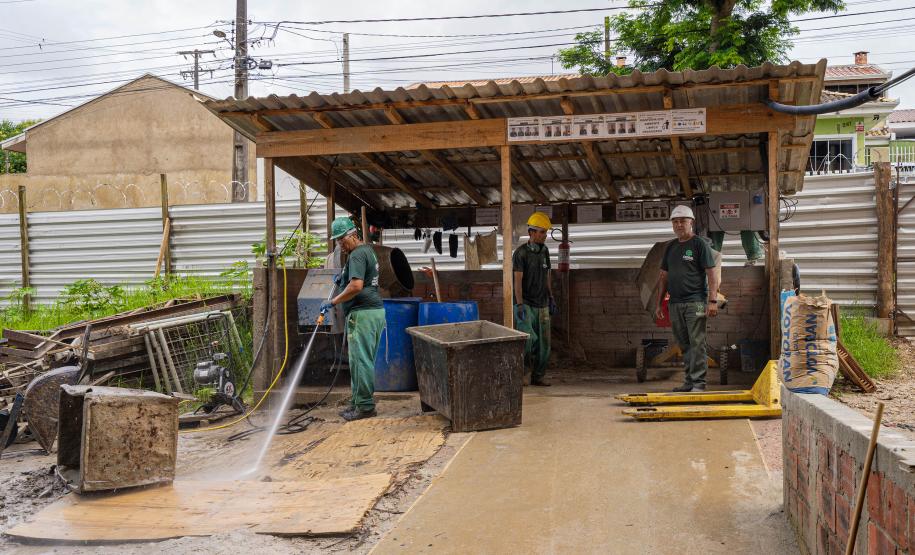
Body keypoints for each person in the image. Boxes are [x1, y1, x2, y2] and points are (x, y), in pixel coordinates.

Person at [320, 216, 386, 421]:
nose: (340, 244)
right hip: (371, 312)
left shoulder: (357, 254)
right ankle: (357, 402)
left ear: (352, 235)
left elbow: (356, 286)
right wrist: (343, 277)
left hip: (363, 313)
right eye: (337, 240)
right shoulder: (366, 251)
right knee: (358, 361)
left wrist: (333, 302)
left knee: (361, 361)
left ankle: (365, 407)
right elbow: (360, 279)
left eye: (341, 239)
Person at [655, 205, 719, 392]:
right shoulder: (671, 247)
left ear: (691, 222)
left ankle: (699, 383)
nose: (679, 225)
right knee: (684, 343)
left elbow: (711, 274)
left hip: (695, 302)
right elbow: (663, 277)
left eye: (682, 221)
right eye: (675, 222)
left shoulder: (699, 244)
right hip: (675, 304)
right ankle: (690, 381)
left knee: (697, 342)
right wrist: (659, 303)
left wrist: (712, 301)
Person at [512, 211, 557, 387]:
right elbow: (517, 280)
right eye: (542, 232)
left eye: (545, 232)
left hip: (542, 303)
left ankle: (538, 376)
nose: (545, 235)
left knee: (545, 344)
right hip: (526, 304)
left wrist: (551, 297)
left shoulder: (545, 251)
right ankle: (524, 373)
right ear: (531, 232)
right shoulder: (521, 253)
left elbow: (547, 275)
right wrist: (520, 304)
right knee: (528, 339)